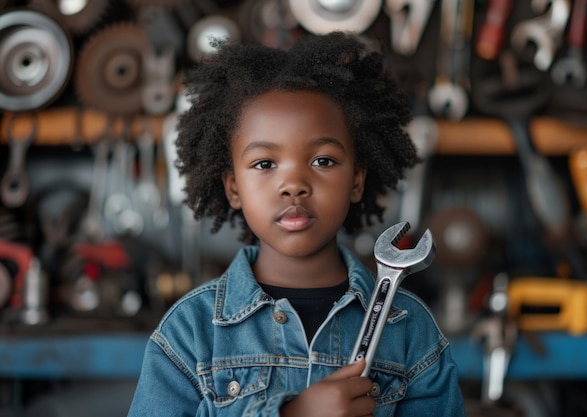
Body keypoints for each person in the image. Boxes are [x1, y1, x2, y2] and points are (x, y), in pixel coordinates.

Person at [127, 31, 465, 417]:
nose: (294, 186)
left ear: (356, 180)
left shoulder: (409, 330)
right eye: (265, 164)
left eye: (323, 161)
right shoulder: (190, 333)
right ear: (233, 187)